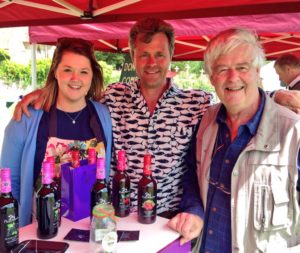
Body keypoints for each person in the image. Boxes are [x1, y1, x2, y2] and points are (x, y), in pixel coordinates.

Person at [11, 18, 300, 242]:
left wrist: (275, 96)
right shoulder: (111, 98)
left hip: (170, 226)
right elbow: (74, 91)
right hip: (117, 223)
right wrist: (39, 94)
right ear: (132, 56)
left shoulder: (196, 103)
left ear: (171, 55)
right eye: (144, 54)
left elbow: (237, 97)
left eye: (159, 54)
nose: (152, 63)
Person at [169, 28, 300, 252]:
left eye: (242, 68)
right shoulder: (206, 121)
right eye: (222, 69)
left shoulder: (293, 132)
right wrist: (193, 210)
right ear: (212, 78)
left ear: (257, 71)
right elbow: (192, 172)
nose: (233, 77)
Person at [0, 38, 112, 227]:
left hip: (91, 228)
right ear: (55, 72)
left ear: (92, 75)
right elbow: (10, 182)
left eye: (83, 72)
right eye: (67, 70)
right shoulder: (27, 118)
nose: (75, 79)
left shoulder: (103, 114)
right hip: (41, 231)